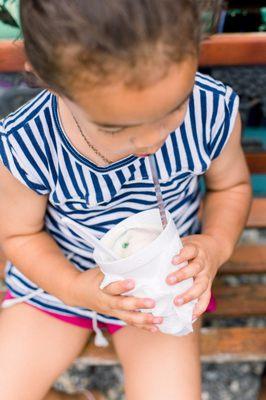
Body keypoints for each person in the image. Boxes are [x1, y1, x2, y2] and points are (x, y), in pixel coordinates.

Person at [0, 1, 252, 399]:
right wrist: (74, 287)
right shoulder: (27, 144)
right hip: (59, 282)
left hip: (160, 287)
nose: (153, 141)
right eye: (116, 127)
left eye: (174, 108)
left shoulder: (209, 110)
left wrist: (216, 246)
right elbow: (18, 235)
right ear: (48, 78)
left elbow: (231, 187)